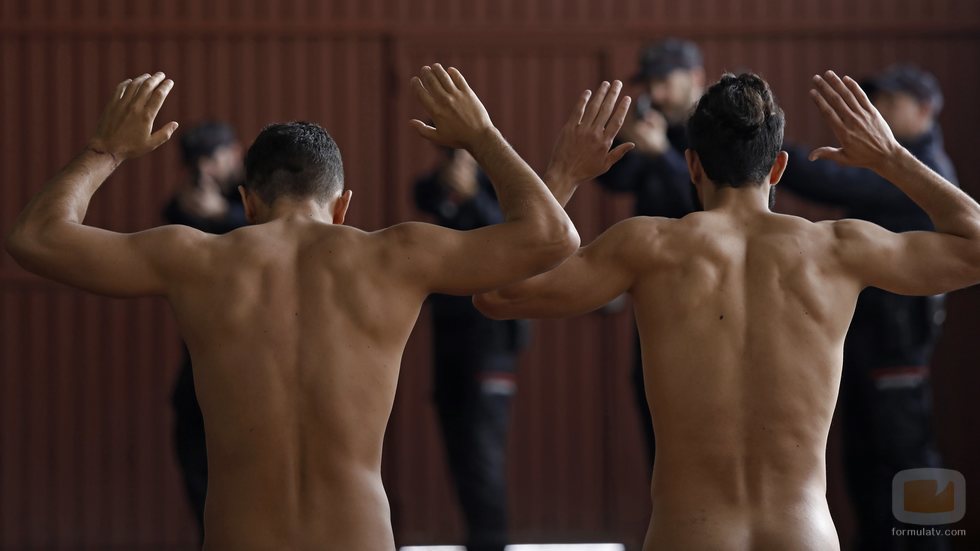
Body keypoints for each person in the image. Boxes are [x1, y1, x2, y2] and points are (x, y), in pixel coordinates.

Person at [4, 65, 625, 549]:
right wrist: (482, 135)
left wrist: (106, 150)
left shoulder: (195, 259)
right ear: (343, 205)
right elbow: (552, 236)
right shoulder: (395, 257)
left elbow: (36, 238)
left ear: (247, 203)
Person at [474, 73, 980, 549]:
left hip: (689, 536)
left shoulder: (649, 247)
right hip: (803, 536)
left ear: (693, 165)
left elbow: (497, 290)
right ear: (777, 168)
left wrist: (564, 172)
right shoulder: (837, 250)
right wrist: (891, 157)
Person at [780, 65, 956, 551]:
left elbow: (832, 183)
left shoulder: (923, 173)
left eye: (891, 102)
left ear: (925, 109)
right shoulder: (899, 170)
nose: (879, 111)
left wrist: (768, 148)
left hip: (897, 348)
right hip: (870, 340)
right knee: (866, 458)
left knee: (904, 456)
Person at [414, 148, 532, 551]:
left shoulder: (503, 179)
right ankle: (478, 541)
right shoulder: (444, 184)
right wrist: (450, 177)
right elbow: (422, 195)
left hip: (491, 341)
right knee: (459, 451)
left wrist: (472, 195)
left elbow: (519, 237)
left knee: (482, 453)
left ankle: (491, 543)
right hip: (449, 340)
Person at [595, 39, 706, 463]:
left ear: (695, 77)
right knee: (651, 395)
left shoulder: (720, 131)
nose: (656, 94)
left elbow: (709, 205)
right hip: (654, 290)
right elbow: (615, 182)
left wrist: (662, 155)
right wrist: (624, 142)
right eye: (651, 84)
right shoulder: (657, 124)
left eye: (665, 82)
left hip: (705, 290)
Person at [163, 121, 247, 537]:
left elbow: (274, 238)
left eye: (215, 158)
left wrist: (223, 216)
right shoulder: (182, 208)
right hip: (200, 366)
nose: (210, 169)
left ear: (234, 152)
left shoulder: (253, 196)